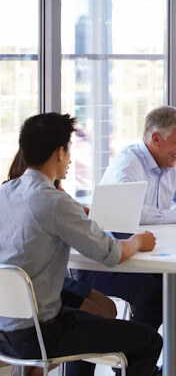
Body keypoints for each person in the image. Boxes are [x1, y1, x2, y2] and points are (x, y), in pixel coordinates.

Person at [0, 113, 162, 376]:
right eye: (69, 150)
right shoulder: (54, 201)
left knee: (96, 316)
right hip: (41, 333)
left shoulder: (4, 194)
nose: (71, 159)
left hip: (5, 332)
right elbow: (112, 254)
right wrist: (138, 241)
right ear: (59, 152)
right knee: (149, 341)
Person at [74, 106, 176, 376]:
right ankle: (134, 369)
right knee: (153, 296)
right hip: (109, 260)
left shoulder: (174, 164)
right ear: (156, 139)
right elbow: (133, 215)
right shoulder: (128, 164)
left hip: (149, 258)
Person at [5, 149, 117, 321]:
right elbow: (105, 249)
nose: (69, 161)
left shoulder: (22, 193)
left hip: (35, 282)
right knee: (101, 312)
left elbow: (77, 213)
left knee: (108, 308)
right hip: (33, 286)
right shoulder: (42, 199)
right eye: (66, 152)